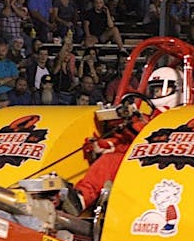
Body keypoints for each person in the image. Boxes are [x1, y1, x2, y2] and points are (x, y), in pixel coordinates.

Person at [68, 67, 182, 216]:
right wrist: (106, 145)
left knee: (109, 162)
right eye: (155, 90)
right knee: (108, 157)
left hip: (161, 165)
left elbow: (150, 138)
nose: (157, 94)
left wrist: (134, 123)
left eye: (161, 89)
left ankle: (82, 198)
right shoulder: (152, 116)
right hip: (142, 159)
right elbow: (132, 144)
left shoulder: (175, 117)